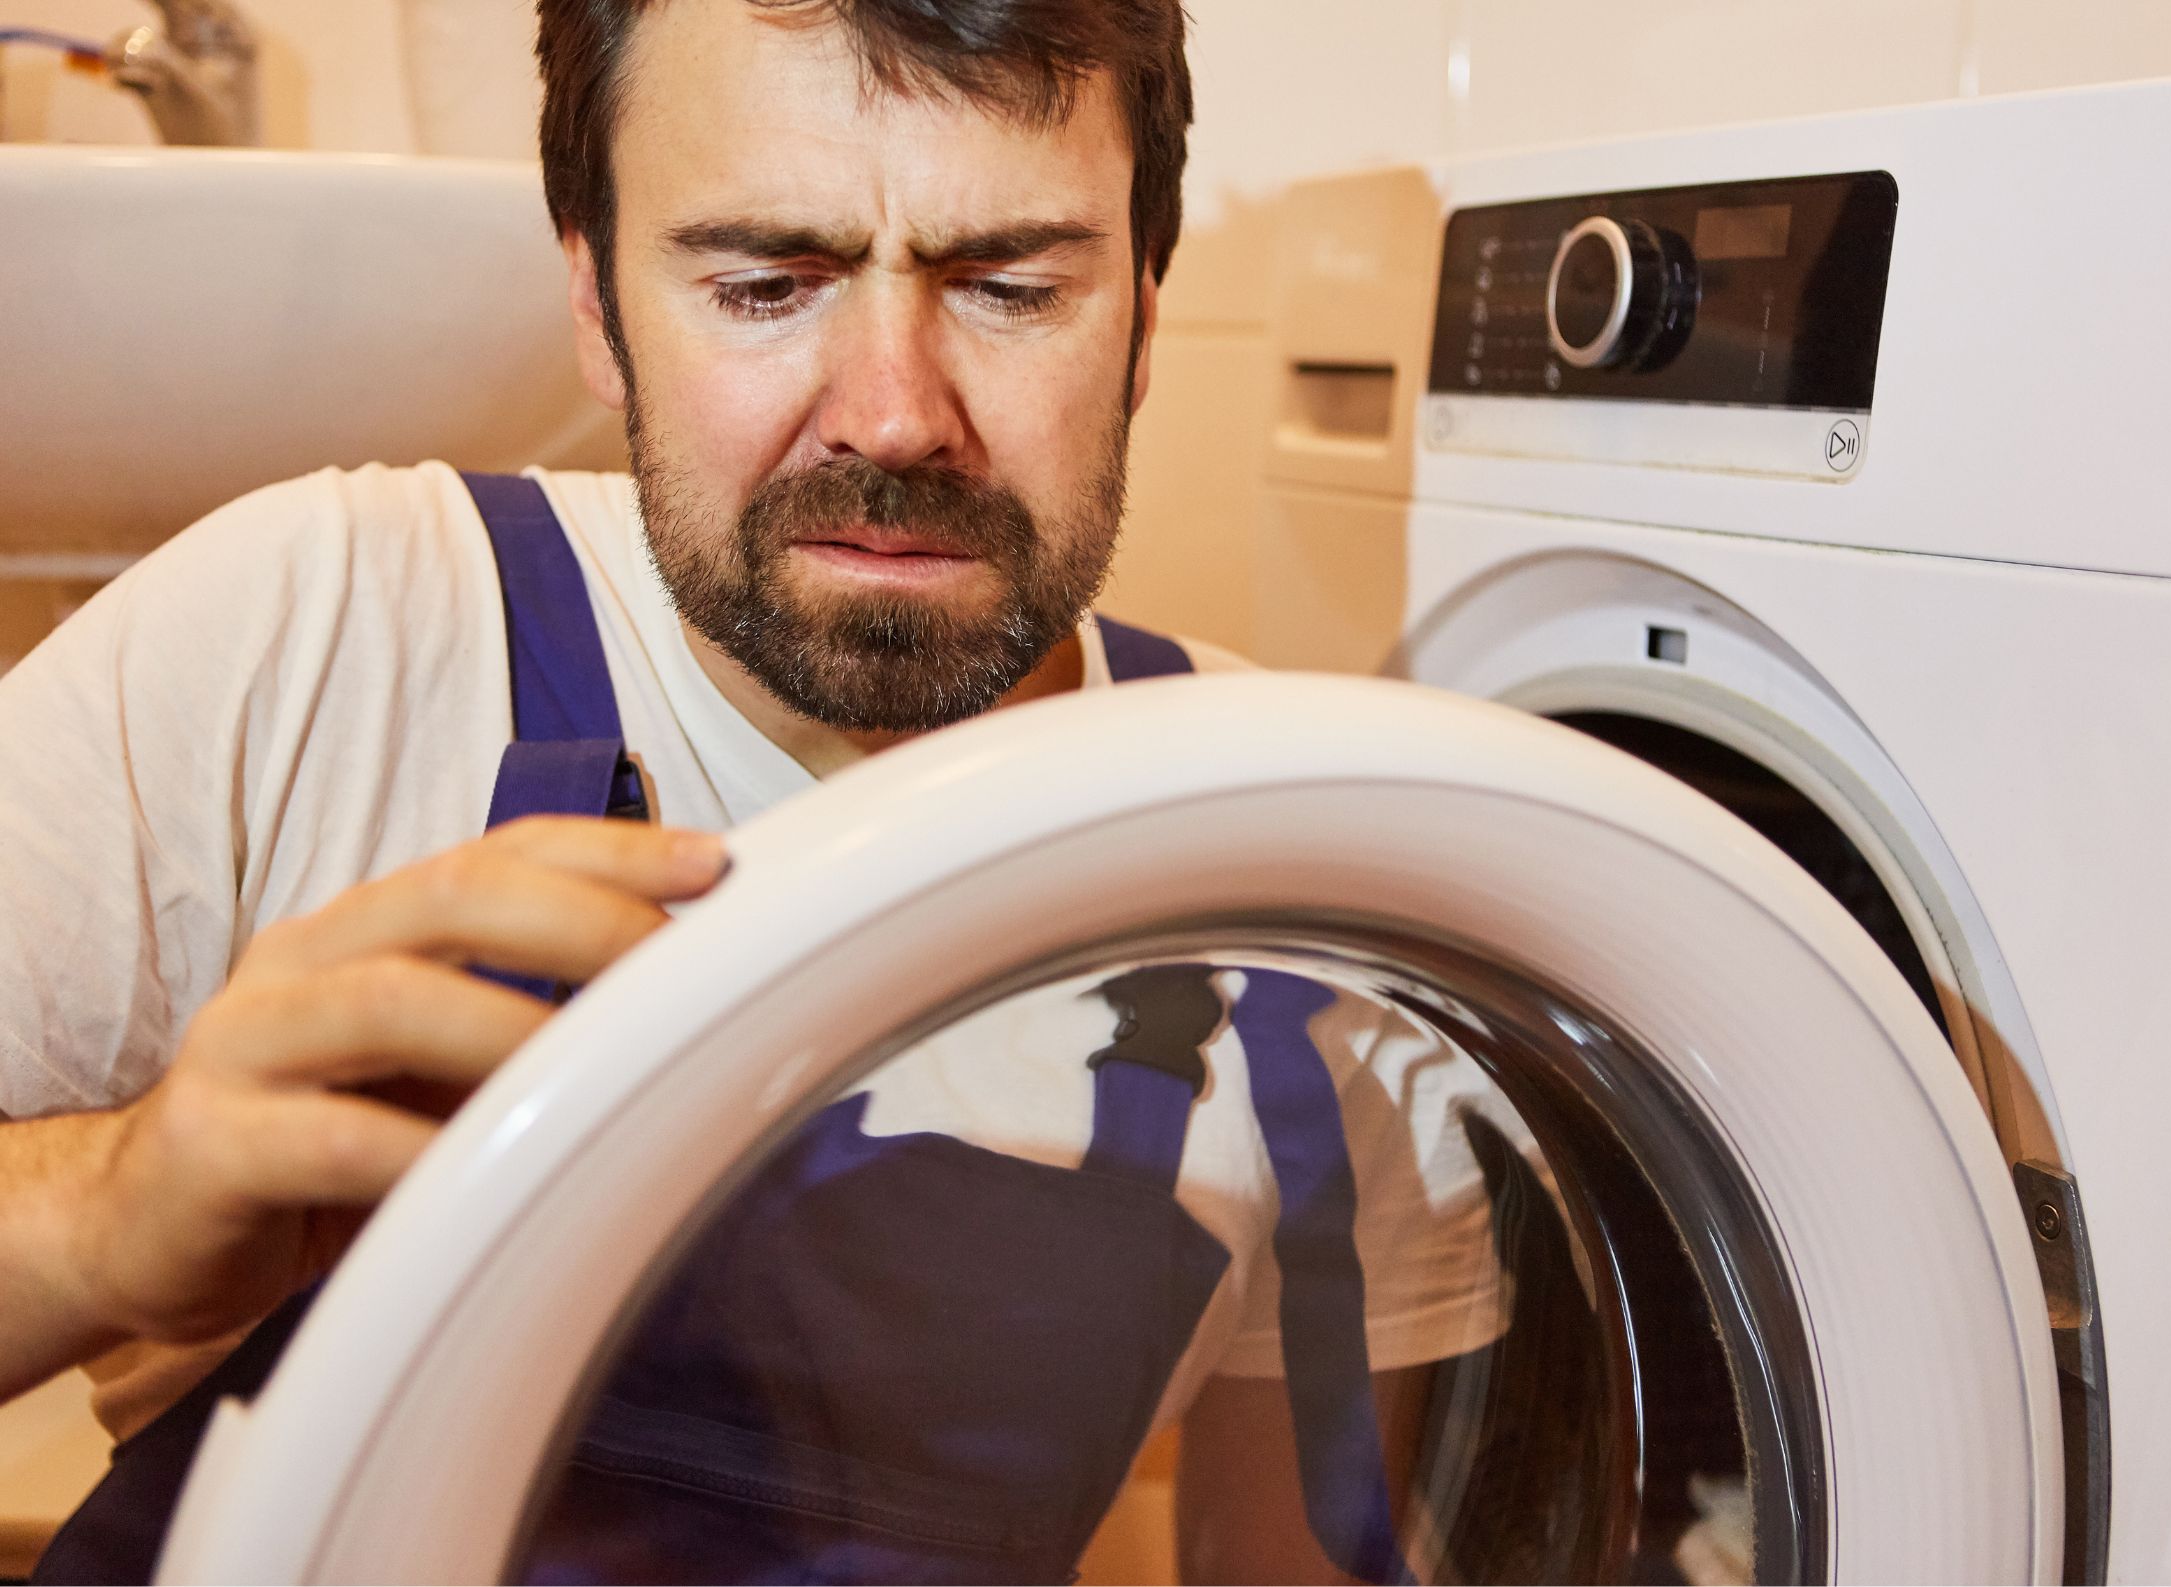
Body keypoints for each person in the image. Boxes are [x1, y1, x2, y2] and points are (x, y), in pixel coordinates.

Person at [0, 1, 1507, 1579]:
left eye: (1009, 287)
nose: (892, 412)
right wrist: (108, 1210)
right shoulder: (317, 627)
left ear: (1140, 314)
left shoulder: (1321, 884)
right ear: (597, 305)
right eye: (764, 286)